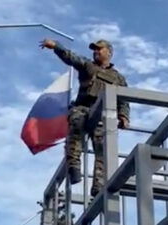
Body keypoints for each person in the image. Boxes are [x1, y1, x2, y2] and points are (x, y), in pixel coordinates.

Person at [40, 39, 130, 196]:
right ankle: (74, 167)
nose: (96, 52)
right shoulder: (88, 65)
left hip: (102, 114)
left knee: (103, 146)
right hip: (82, 108)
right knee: (76, 126)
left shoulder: (118, 78)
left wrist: (124, 116)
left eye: (99, 49)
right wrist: (56, 46)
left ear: (109, 52)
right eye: (94, 49)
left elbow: (124, 100)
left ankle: (99, 184)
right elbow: (71, 57)